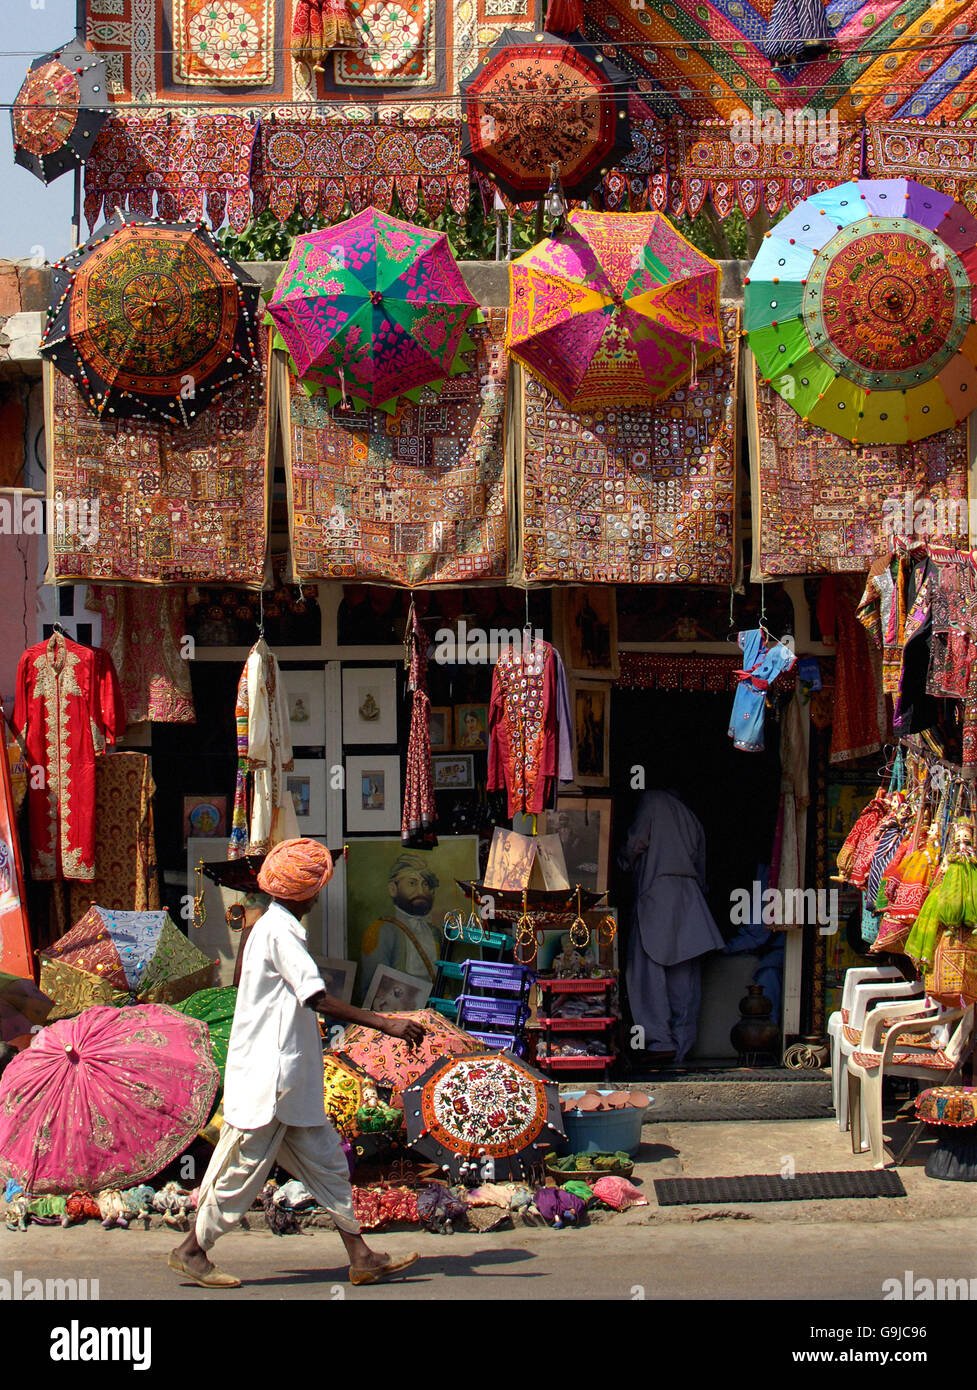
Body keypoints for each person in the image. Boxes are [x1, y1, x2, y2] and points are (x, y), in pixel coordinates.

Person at [168, 837, 425, 1290]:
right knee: (240, 1172)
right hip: (272, 1082)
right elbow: (317, 997)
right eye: (317, 889)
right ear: (306, 894)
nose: (319, 896)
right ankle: (192, 1250)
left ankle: (361, 1256)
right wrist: (385, 1023)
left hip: (289, 1082)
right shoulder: (280, 932)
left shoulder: (268, 926)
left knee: (328, 1167)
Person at [619, 788, 725, 1063]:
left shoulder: (651, 801)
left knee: (646, 971)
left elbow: (635, 843)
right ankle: (681, 1044)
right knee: (685, 977)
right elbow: (701, 866)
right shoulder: (691, 816)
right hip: (689, 897)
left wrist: (620, 863)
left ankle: (659, 1041)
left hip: (657, 892)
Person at [359, 853, 440, 990]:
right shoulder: (381, 931)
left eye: (425, 884)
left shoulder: (435, 933)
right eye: (412, 883)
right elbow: (374, 988)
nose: (421, 891)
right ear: (393, 889)